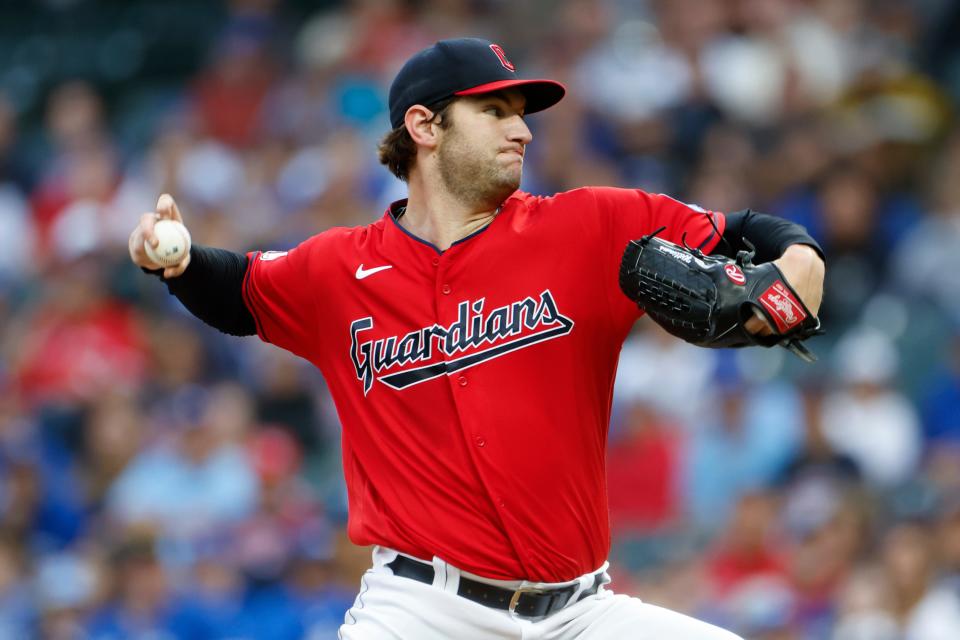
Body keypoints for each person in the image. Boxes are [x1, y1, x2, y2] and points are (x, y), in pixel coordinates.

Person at [129, 37, 824, 639]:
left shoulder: (590, 226)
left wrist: (798, 269)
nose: (521, 132)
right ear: (424, 126)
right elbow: (239, 290)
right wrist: (179, 262)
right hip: (423, 610)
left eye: (521, 116)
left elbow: (752, 233)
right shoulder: (340, 269)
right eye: (494, 112)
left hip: (581, 613)